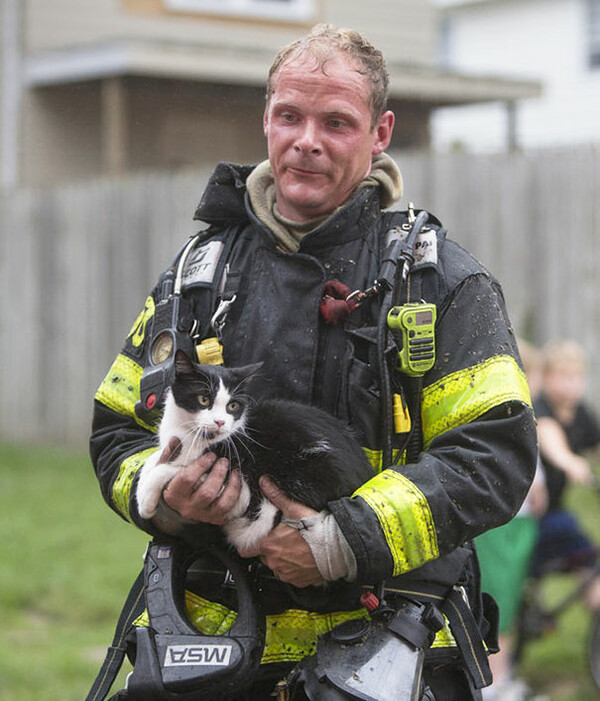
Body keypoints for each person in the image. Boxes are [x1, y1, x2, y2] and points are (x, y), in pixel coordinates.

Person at [90, 24, 537, 701]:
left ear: (380, 132)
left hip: (389, 651)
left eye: (336, 121)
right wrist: (170, 498)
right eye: (289, 115)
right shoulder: (195, 278)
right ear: (266, 118)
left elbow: (494, 453)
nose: (307, 139)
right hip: (210, 650)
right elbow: (117, 430)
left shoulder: (439, 283)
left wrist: (344, 538)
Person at [476, 339, 548, 701]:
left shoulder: (530, 419)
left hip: (522, 525)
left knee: (511, 600)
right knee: (497, 599)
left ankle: (503, 676)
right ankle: (492, 682)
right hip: (499, 526)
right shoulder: (497, 417)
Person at [530, 339, 600, 610]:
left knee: (589, 560)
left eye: (577, 376)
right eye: (564, 376)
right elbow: (549, 437)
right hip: (528, 518)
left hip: (556, 514)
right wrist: (570, 462)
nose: (572, 384)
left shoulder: (580, 412)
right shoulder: (541, 408)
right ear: (547, 378)